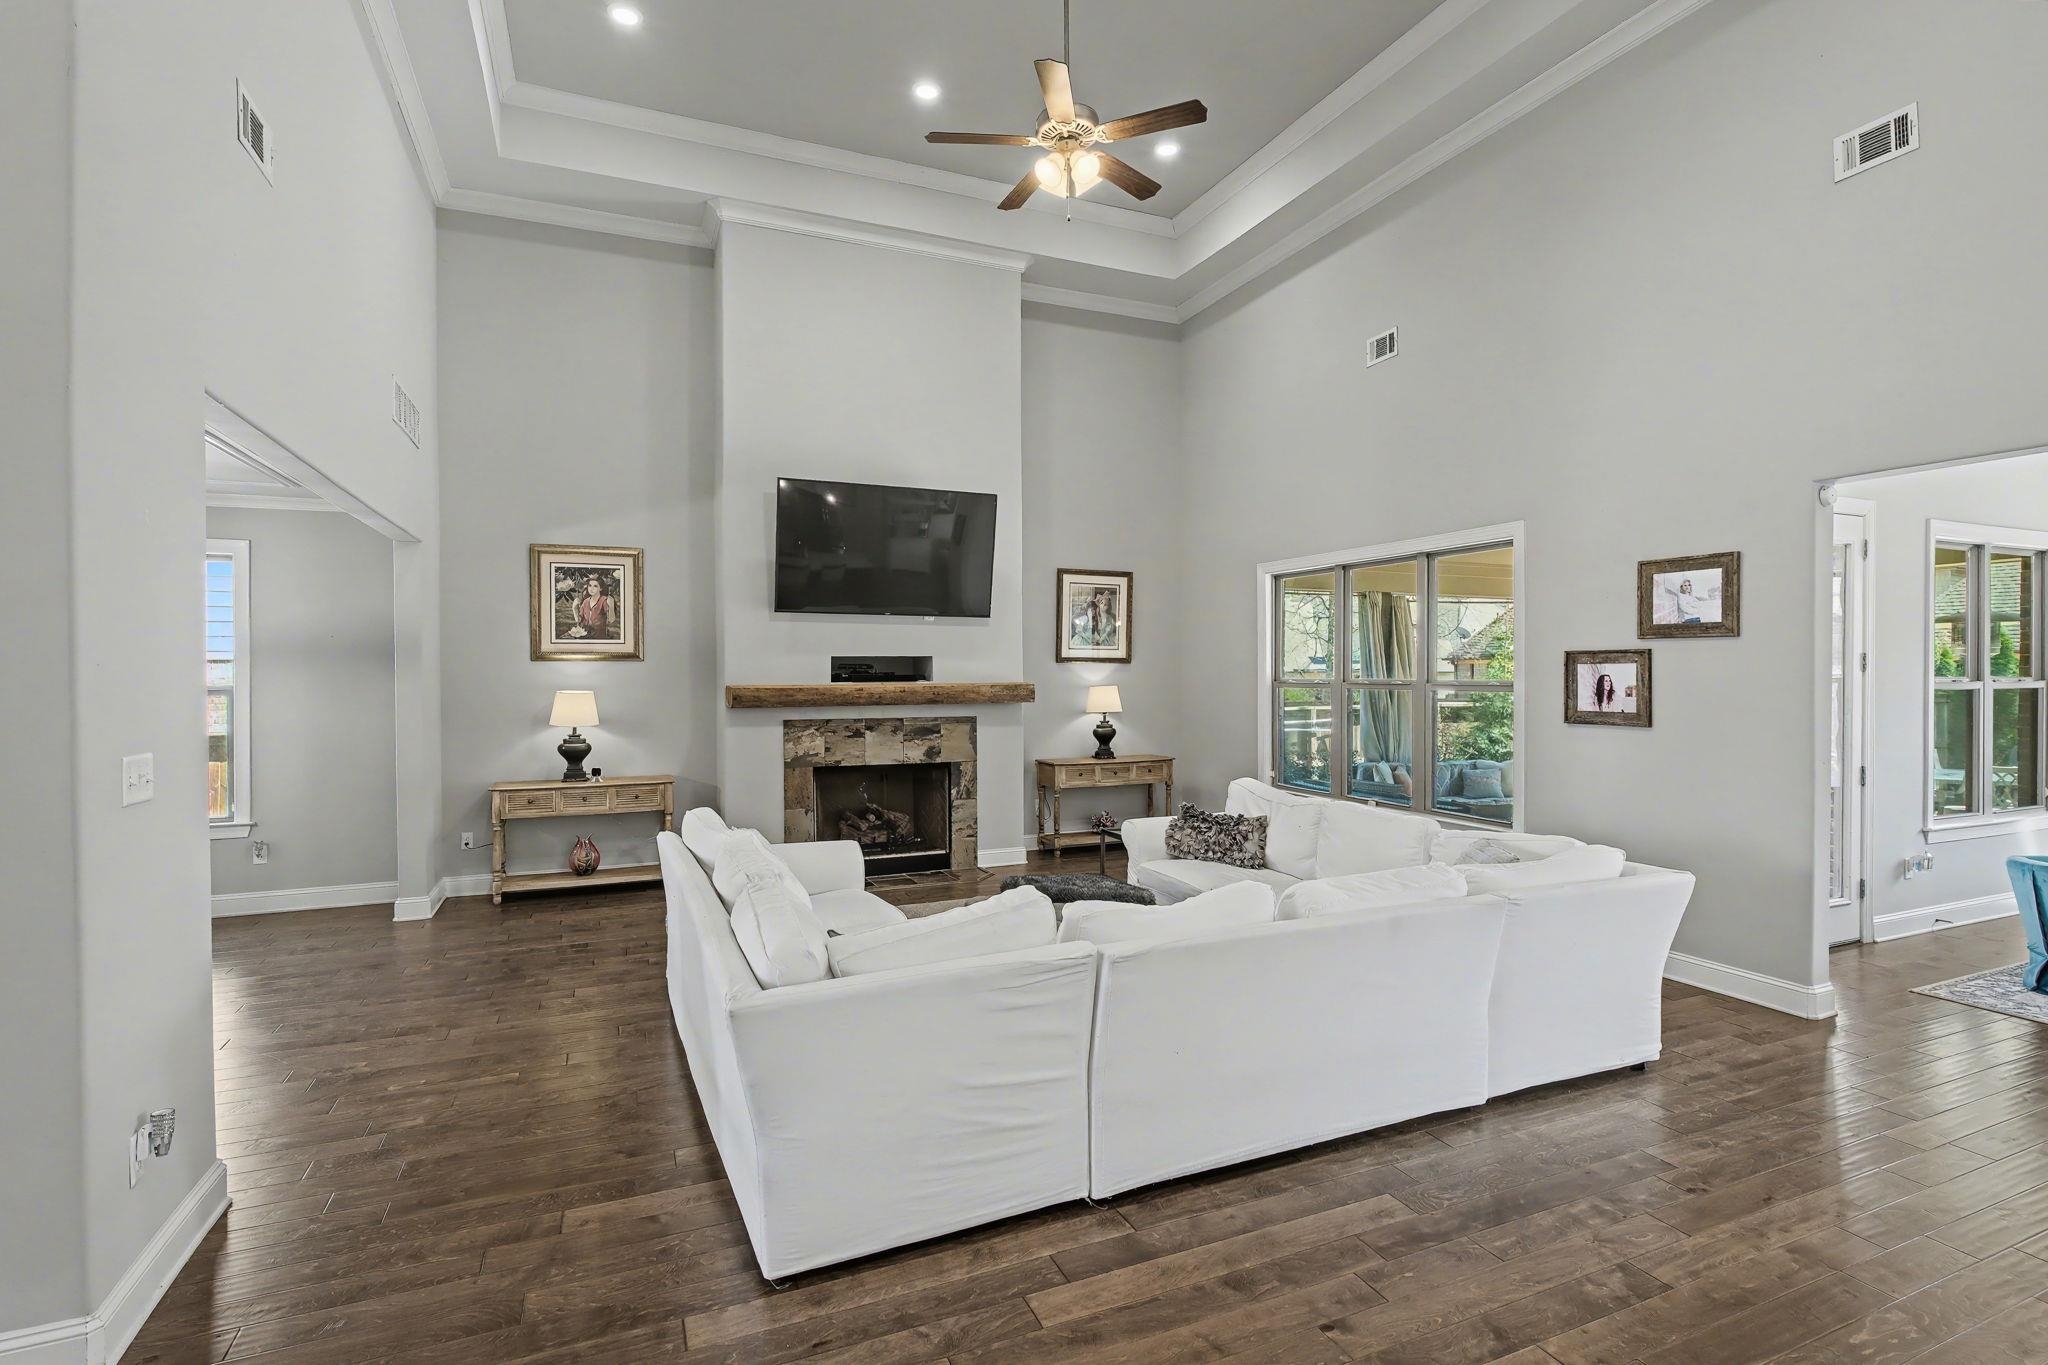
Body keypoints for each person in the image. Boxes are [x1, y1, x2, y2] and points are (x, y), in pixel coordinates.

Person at [574, 573, 617, 638]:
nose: (591, 589)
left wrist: (611, 605)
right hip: (584, 635)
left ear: (601, 588)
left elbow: (611, 620)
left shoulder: (603, 600)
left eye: (595, 586)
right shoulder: (586, 601)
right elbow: (579, 620)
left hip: (598, 636)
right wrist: (574, 608)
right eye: (590, 585)